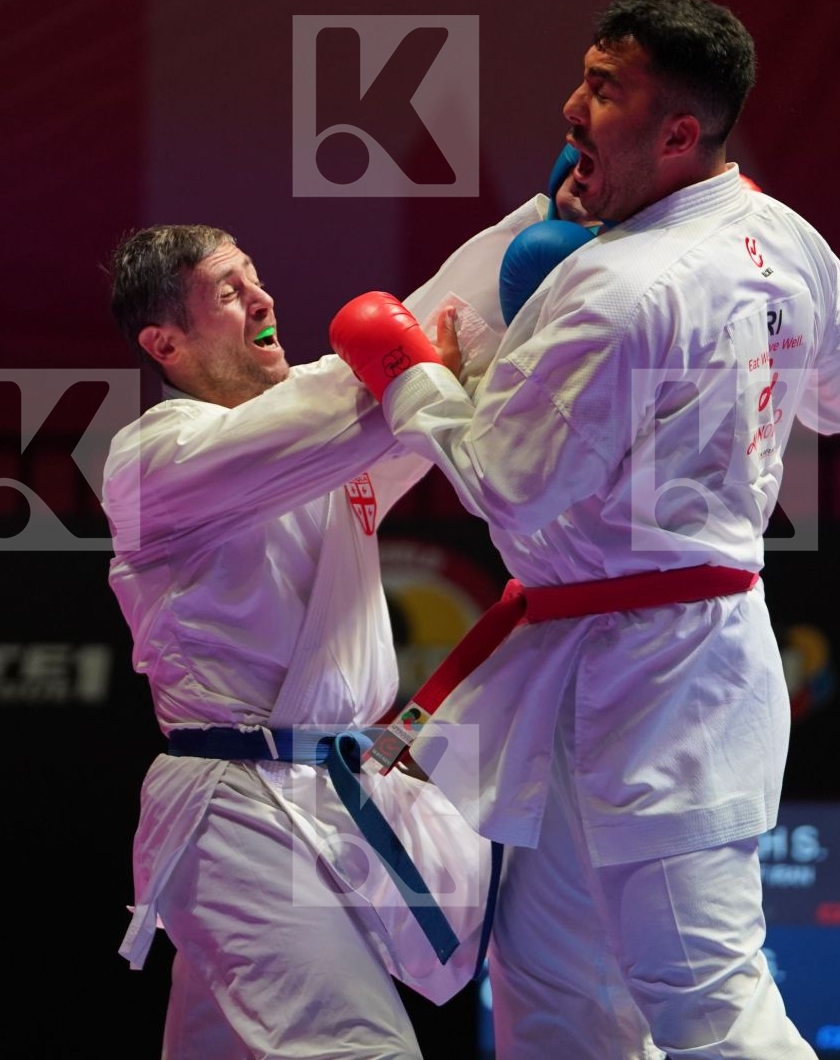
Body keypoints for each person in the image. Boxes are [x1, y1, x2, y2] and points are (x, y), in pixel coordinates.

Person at [330, 0, 840, 1057]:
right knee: (551, 996)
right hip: (587, 657)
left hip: (662, 679)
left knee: (705, 1001)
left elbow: (506, 484)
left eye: (605, 90)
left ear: (678, 133)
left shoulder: (617, 288)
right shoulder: (779, 233)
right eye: (585, 77)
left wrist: (414, 373)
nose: (571, 108)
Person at [101, 207, 544, 1058]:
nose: (261, 295)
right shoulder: (155, 461)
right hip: (235, 811)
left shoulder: (326, 440)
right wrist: (406, 371)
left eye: (254, 273)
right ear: (164, 345)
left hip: (323, 796)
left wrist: (554, 215)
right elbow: (358, 394)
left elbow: (427, 338)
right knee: (356, 1049)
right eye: (229, 291)